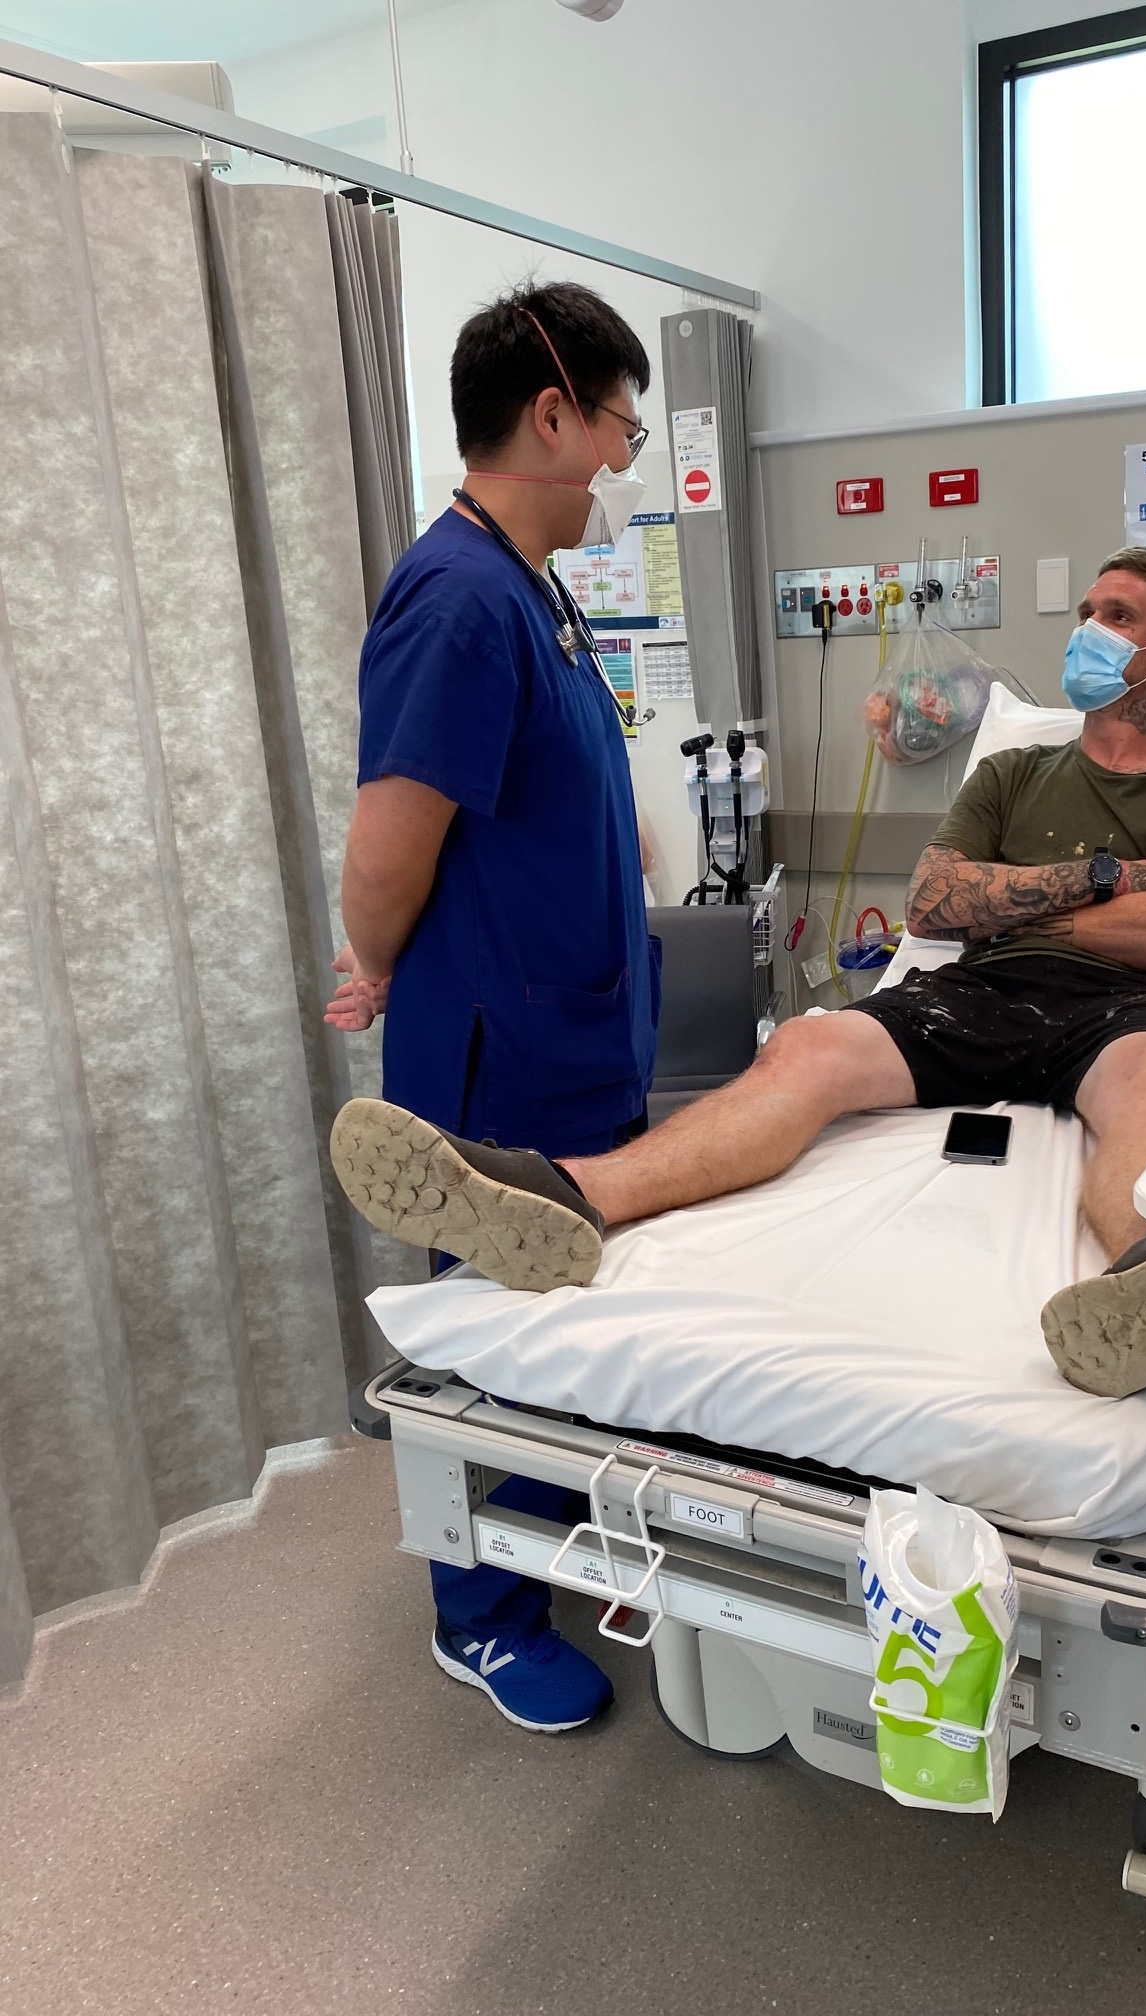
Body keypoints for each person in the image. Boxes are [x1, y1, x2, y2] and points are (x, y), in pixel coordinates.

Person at [332, 547, 1146, 1404]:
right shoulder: (1012, 771)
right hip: (979, 992)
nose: (1086, 627)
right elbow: (935, 906)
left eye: (1116, 616)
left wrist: (1024, 899)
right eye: (1085, 608)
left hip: (1137, 1010)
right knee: (810, 1045)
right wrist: (1094, 884)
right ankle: (566, 1200)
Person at [324, 279, 661, 1732]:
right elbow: (385, 855)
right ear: (551, 416)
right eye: (620, 430)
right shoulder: (457, 598)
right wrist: (383, 957)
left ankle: (558, 1533)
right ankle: (480, 1612)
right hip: (503, 1042)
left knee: (570, 1317)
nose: (622, 465)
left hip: (569, 1021)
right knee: (502, 1331)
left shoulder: (531, 585)